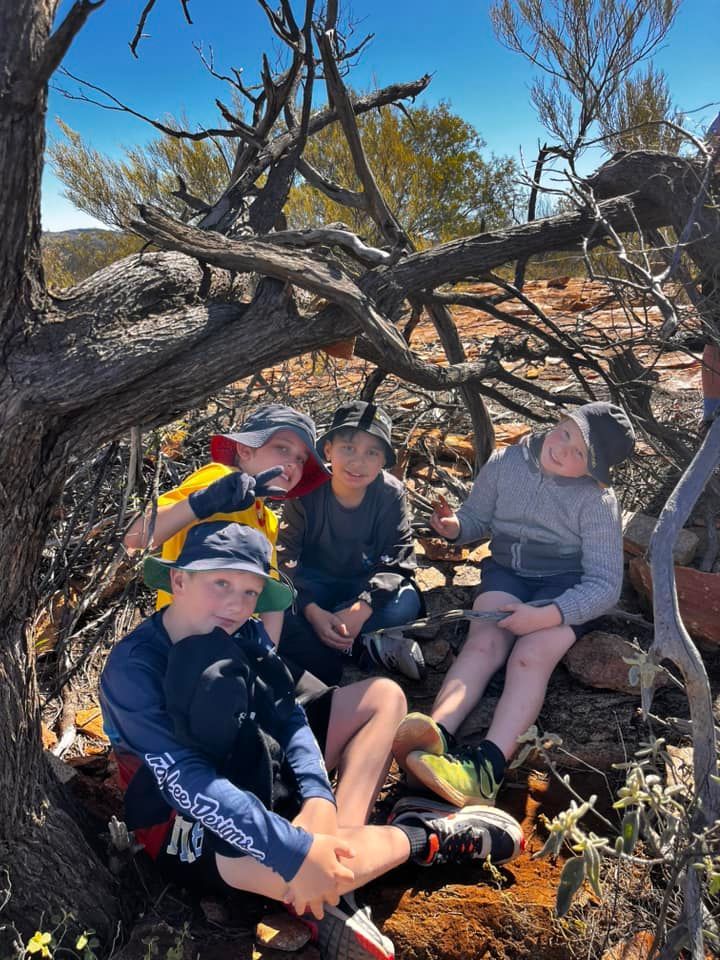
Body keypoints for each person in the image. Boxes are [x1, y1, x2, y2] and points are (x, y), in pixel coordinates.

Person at [101, 521, 525, 960]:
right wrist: (292, 852)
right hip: (178, 817)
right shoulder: (134, 668)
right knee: (301, 872)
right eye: (221, 582)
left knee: (383, 697)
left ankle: (339, 846)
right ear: (179, 579)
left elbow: (286, 711)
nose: (235, 604)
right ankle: (421, 837)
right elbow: (186, 783)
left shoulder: (243, 633)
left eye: (250, 593)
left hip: (254, 761)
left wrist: (319, 798)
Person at [392, 402, 636, 809]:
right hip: (507, 573)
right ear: (556, 422)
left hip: (566, 591)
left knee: (530, 655)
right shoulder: (507, 461)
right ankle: (436, 734)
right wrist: (454, 528)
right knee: (484, 642)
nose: (563, 450)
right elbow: (477, 518)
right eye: (565, 435)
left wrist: (547, 614)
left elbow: (605, 584)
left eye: (580, 454)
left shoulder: (596, 501)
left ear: (594, 471)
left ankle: (487, 766)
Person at [124, 403, 331, 645]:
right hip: (184, 638)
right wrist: (202, 502)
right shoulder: (219, 476)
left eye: (300, 459)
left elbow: (269, 594)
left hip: (235, 639)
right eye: (282, 448)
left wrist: (266, 652)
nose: (293, 464)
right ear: (245, 449)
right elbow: (135, 537)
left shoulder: (269, 519)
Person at [277, 401, 425, 686]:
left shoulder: (389, 493)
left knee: (406, 601)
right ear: (328, 449)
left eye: (372, 452)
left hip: (365, 584)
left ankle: (336, 636)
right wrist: (311, 609)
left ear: (384, 461)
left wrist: (363, 607)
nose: (358, 462)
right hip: (314, 586)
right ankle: (363, 645)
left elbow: (398, 559)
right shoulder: (304, 490)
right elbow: (286, 560)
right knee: (279, 606)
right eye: (348, 448)